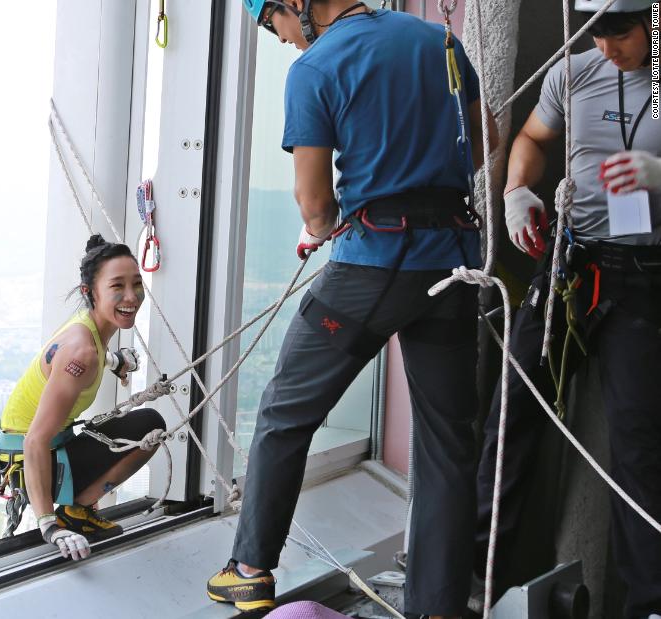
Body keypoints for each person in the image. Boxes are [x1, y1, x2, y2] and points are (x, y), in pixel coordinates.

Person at [206, 0, 496, 616]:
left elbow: (314, 203)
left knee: (286, 412)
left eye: (273, 24)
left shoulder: (316, 68)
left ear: (295, 5)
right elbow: (478, 146)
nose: (282, 40)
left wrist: (325, 225)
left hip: (372, 269)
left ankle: (250, 569)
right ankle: (437, 605)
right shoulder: (438, 41)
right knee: (447, 439)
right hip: (451, 263)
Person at [474, 1, 661, 615]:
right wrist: (517, 190)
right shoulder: (574, 71)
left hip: (643, 277)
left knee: (638, 443)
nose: (610, 49)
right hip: (569, 267)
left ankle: (647, 604)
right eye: (598, 35)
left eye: (623, 34)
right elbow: (530, 136)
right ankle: (476, 574)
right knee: (513, 412)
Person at [0, 233, 166, 562]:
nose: (131, 296)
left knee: (144, 423)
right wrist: (49, 527)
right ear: (91, 293)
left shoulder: (88, 329)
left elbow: (74, 359)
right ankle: (75, 513)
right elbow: (35, 441)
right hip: (31, 459)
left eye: (137, 284)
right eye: (117, 286)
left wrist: (115, 361)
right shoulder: (83, 351)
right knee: (150, 426)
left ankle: (77, 509)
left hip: (28, 448)